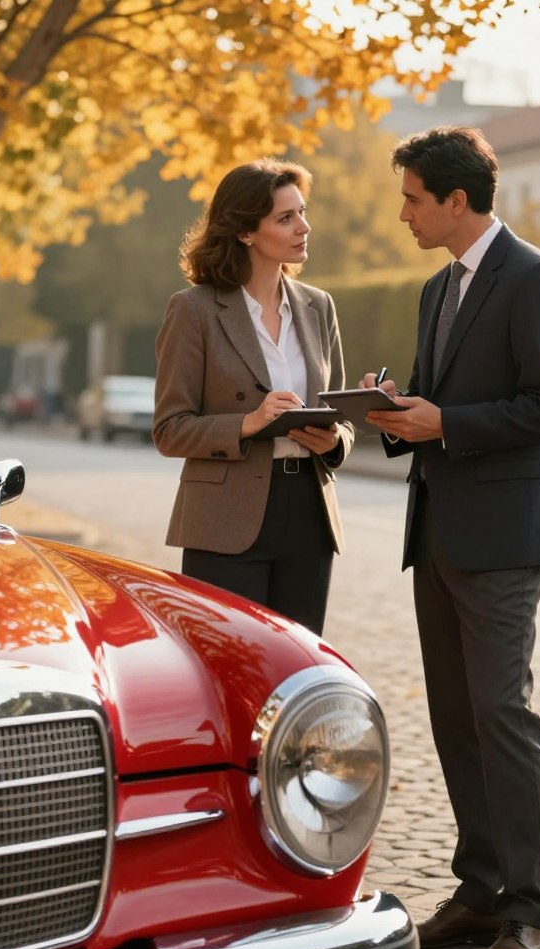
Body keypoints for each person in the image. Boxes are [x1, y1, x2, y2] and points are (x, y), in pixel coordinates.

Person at [362, 126, 540, 949]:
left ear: (457, 200)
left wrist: (445, 422)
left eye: (414, 199)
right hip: (437, 528)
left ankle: (530, 912)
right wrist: (394, 411)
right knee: (455, 716)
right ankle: (481, 888)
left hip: (503, 536)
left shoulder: (536, 277)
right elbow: (435, 404)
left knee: (501, 713)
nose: (404, 214)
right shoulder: (436, 288)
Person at [152, 158, 355, 635]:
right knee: (228, 661)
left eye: (302, 212)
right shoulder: (193, 310)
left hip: (309, 515)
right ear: (245, 231)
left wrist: (335, 442)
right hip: (225, 522)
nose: (303, 227)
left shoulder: (318, 306)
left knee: (299, 662)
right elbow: (169, 430)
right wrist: (248, 423)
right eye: (285, 218)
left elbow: (341, 415)